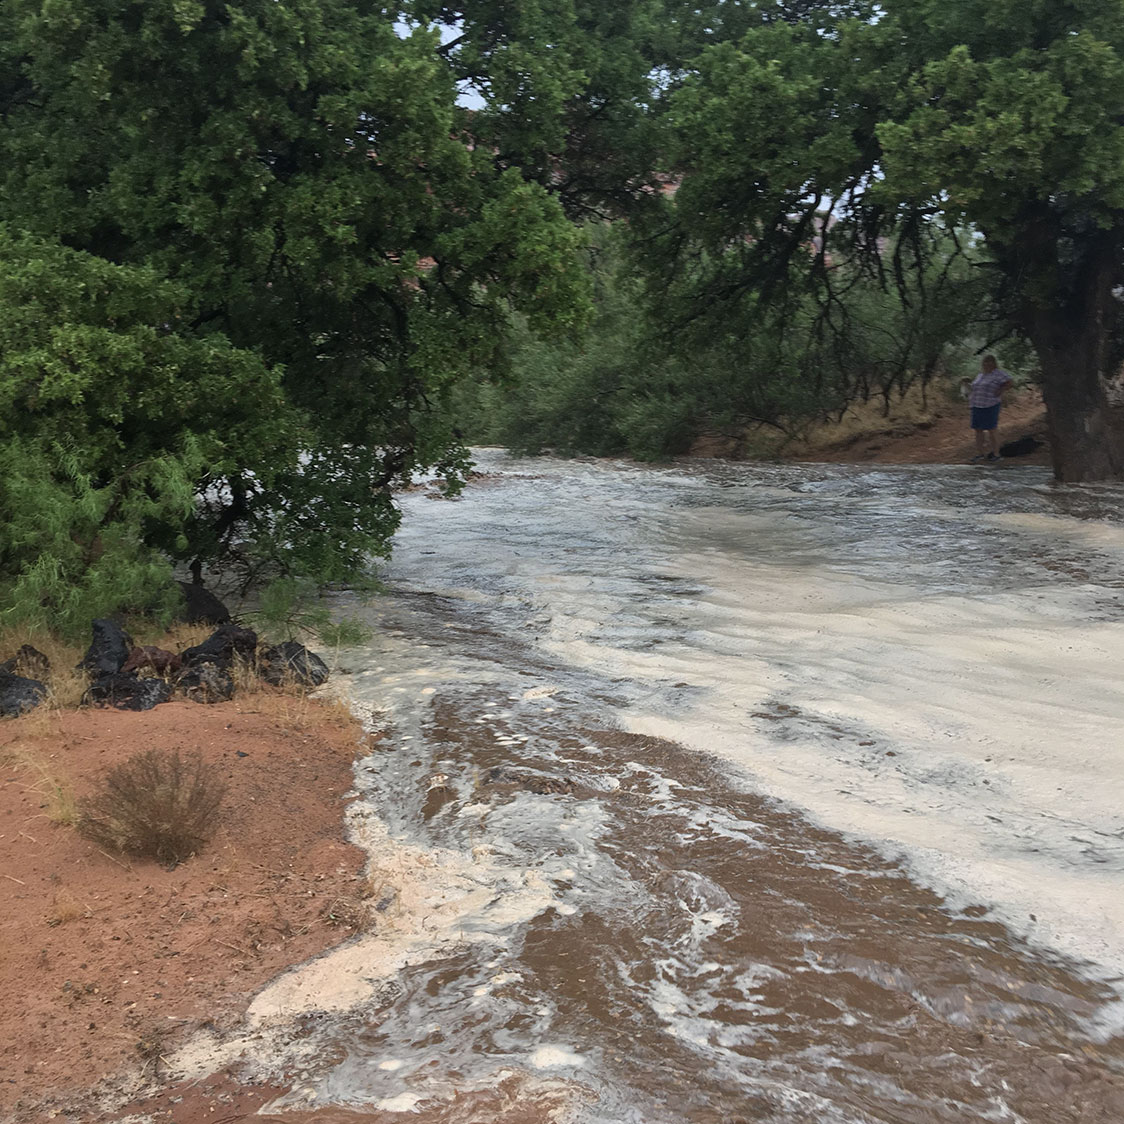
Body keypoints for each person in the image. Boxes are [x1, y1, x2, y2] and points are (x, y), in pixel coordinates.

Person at [966, 354, 1013, 463]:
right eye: (985, 362)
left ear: (994, 363)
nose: (987, 364)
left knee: (992, 429)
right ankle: (980, 454)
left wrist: (1001, 390)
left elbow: (1010, 382)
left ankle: (996, 454)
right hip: (976, 405)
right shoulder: (980, 375)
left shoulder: (998, 374)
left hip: (990, 404)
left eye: (990, 362)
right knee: (978, 430)